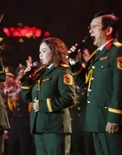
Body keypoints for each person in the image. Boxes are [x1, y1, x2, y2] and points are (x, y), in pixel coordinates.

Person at [69, 11, 122, 155]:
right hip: (96, 119)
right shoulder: (98, 54)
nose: (90, 31)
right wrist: (74, 62)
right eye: (89, 27)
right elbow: (85, 83)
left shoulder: (117, 51)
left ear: (108, 30)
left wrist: (114, 118)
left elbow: (119, 87)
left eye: (94, 27)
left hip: (108, 119)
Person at [21, 37, 75, 155]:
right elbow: (27, 98)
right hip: (39, 127)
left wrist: (44, 105)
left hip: (55, 128)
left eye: (44, 51)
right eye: (40, 52)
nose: (40, 55)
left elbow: (69, 97)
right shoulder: (40, 73)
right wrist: (26, 80)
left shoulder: (62, 71)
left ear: (55, 51)